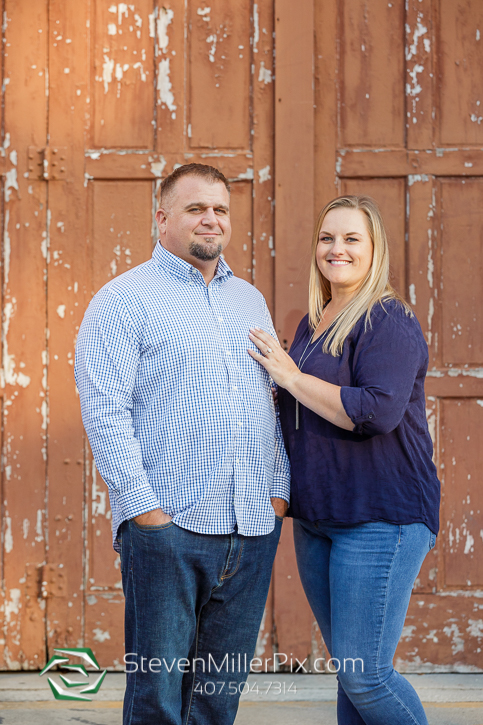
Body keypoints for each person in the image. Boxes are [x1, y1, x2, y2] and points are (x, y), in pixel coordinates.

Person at [75, 163, 290, 725]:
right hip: (169, 532)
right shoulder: (123, 300)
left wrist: (277, 496)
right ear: (162, 218)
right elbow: (105, 411)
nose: (211, 220)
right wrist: (144, 511)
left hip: (250, 529)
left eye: (220, 209)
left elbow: (266, 400)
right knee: (159, 702)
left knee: (218, 699)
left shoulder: (249, 300)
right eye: (197, 209)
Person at [248, 195, 440, 725]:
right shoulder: (313, 323)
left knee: (367, 675)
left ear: (374, 249)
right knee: (351, 671)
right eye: (327, 237)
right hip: (320, 518)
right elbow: (301, 407)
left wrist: (289, 377)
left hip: (381, 515)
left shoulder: (387, 319)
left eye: (352, 238)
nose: (337, 249)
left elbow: (376, 411)